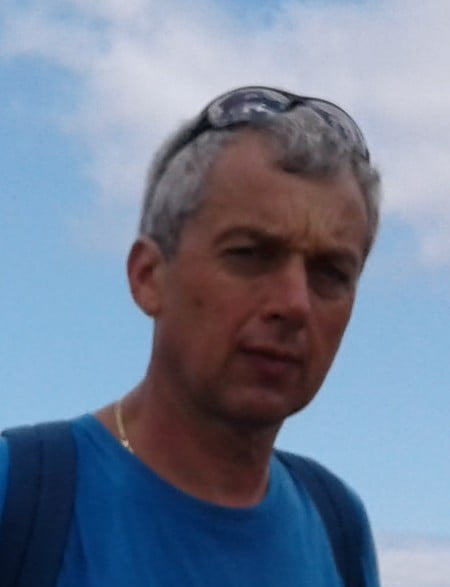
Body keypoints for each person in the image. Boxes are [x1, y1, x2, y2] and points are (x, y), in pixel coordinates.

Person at [0, 86, 381, 586]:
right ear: (149, 277)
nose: (294, 303)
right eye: (249, 254)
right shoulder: (21, 498)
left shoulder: (338, 526)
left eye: (331, 273)